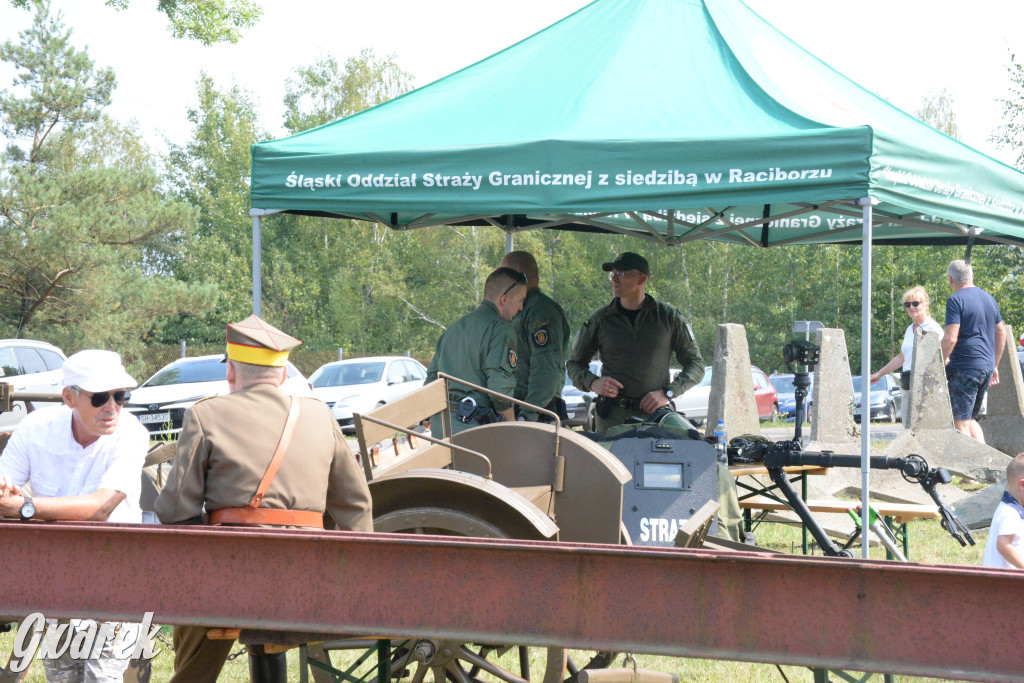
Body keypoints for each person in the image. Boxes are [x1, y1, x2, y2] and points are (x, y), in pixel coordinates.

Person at [154, 314, 373, 683]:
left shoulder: (205, 415)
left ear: (231, 373)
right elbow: (356, 504)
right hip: (312, 580)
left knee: (194, 613)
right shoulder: (320, 414)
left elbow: (176, 511)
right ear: (283, 374)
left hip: (231, 582)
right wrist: (348, 578)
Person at [0, 350, 147, 683]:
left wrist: (26, 507)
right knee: (63, 679)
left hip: (116, 577)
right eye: (99, 397)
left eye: (120, 396)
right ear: (69, 397)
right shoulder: (35, 428)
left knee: (102, 679)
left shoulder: (132, 434)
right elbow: (3, 488)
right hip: (55, 578)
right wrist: (7, 495)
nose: (112, 407)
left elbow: (100, 508)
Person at [566, 252, 704, 433]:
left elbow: (696, 364)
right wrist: (593, 383)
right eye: (612, 274)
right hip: (611, 420)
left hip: (655, 419)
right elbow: (574, 364)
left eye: (621, 274)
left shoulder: (668, 317)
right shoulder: (600, 319)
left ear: (642, 279)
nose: (614, 278)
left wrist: (668, 393)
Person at [424, 266, 528, 437]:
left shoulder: (453, 329)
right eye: (520, 300)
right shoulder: (500, 329)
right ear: (504, 299)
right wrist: (512, 427)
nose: (521, 307)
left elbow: (431, 382)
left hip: (440, 427)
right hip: (475, 430)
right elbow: (500, 391)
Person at [499, 251, 571, 422]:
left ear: (517, 276)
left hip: (537, 414)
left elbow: (546, 371)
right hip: (519, 410)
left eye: (503, 274)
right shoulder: (519, 310)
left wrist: (527, 415)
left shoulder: (540, 312)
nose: (498, 280)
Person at [940, 259, 1006, 443]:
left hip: (965, 366)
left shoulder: (955, 300)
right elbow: (1001, 332)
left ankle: (969, 471)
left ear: (950, 279)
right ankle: (985, 465)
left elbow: (950, 338)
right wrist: (994, 365)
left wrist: (937, 363)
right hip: (985, 367)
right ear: (972, 276)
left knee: (959, 421)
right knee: (970, 419)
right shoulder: (989, 298)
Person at [869, 286, 943, 424]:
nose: (911, 307)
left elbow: (944, 357)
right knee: (908, 427)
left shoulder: (933, 328)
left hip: (926, 386)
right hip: (908, 383)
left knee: (925, 426)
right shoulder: (910, 329)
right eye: (908, 304)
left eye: (915, 303)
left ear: (926, 305)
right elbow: (901, 358)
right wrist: (879, 374)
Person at [982, 453, 1024, 569]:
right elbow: (1003, 545)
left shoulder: (1014, 509)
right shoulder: (1010, 513)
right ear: (1022, 485)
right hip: (1001, 583)